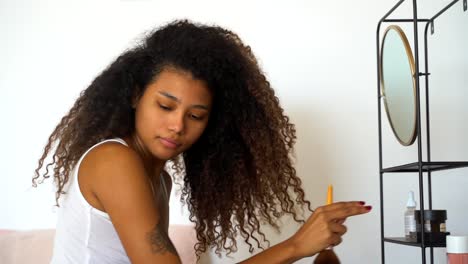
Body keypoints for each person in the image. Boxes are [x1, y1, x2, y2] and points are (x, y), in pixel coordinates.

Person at [33, 19, 371, 263]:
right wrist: (296, 246)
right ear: (136, 96)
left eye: (196, 116)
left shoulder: (159, 180)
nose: (177, 125)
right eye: (165, 106)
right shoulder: (114, 162)